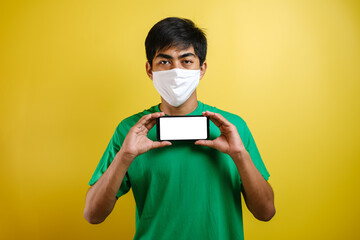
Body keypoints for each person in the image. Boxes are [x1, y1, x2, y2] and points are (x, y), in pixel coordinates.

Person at [84, 17, 275, 239]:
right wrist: (125, 156)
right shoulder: (131, 130)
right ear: (149, 69)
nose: (176, 70)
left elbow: (266, 212)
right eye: (164, 62)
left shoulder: (232, 128)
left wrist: (239, 155)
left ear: (201, 68)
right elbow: (93, 214)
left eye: (186, 61)